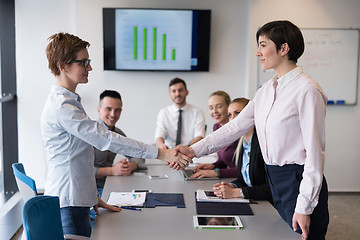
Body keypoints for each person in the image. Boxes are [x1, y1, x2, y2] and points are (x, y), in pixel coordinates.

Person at [174, 20, 329, 240]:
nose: (258, 52)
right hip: (274, 179)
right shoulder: (266, 90)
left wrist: (304, 206)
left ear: (284, 49)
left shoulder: (307, 90)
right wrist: (193, 150)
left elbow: (315, 155)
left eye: (263, 45)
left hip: (298, 180)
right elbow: (235, 127)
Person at [41, 32, 190, 237]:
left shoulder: (70, 102)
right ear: (63, 66)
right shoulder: (62, 107)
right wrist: (161, 153)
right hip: (69, 202)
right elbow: (106, 139)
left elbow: (78, 158)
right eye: (83, 62)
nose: (89, 68)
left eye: (88, 61)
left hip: (77, 198)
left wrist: (91, 196)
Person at [212, 98, 272, 203]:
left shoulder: (263, 144)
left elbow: (271, 188)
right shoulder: (240, 142)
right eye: (230, 115)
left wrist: (236, 192)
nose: (233, 119)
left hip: (269, 205)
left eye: (237, 113)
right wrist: (232, 185)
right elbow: (244, 180)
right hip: (254, 201)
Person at [94, 90, 147, 195]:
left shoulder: (117, 133)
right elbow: (81, 170)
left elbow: (138, 154)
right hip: (91, 190)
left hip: (111, 185)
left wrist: (131, 166)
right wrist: (112, 171)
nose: (113, 114)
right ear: (99, 110)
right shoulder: (89, 133)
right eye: (108, 109)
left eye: (117, 110)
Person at [191, 91, 238, 178]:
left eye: (219, 107)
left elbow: (246, 170)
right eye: (211, 108)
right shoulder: (217, 127)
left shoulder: (239, 131)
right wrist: (213, 166)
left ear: (229, 107)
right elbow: (225, 160)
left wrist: (216, 172)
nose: (214, 111)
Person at [155, 78, 205, 149]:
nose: (177, 94)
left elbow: (199, 136)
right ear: (170, 94)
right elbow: (159, 135)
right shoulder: (163, 112)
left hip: (190, 149)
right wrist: (161, 146)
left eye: (180, 90)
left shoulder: (198, 112)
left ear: (187, 92)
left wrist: (187, 148)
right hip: (169, 151)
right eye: (174, 91)